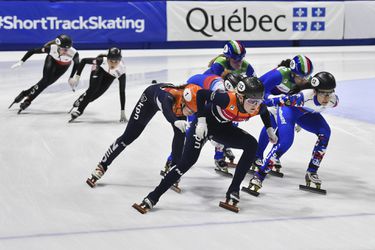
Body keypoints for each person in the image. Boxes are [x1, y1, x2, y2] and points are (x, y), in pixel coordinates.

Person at [133, 76, 278, 213]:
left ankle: (234, 190)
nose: (255, 106)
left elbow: (264, 110)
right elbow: (202, 94)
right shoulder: (227, 99)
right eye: (252, 101)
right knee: (187, 162)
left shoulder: (257, 106)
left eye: (258, 101)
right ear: (240, 97)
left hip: (222, 129)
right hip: (203, 126)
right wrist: (201, 121)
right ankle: (152, 197)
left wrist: (269, 129)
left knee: (251, 144)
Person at [85, 82, 202, 188]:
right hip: (149, 99)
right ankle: (102, 165)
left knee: (180, 134)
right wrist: (175, 121)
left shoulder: (186, 102)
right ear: (183, 102)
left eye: (193, 111)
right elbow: (166, 110)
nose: (191, 113)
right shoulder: (167, 97)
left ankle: (173, 167)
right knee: (129, 137)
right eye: (190, 110)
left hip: (174, 105)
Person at [245, 71, 339, 195]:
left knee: (325, 133)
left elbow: (315, 108)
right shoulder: (302, 97)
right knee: (285, 143)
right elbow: (278, 101)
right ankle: (259, 176)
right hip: (288, 111)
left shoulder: (334, 101)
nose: (327, 98)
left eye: (330, 93)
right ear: (315, 91)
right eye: (323, 93)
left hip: (305, 114)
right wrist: (249, 109)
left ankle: (312, 172)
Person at [162, 73, 244, 177]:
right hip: (196, 92)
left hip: (206, 92)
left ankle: (219, 157)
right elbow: (206, 111)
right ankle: (172, 161)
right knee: (192, 132)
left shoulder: (231, 94)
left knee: (226, 126)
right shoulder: (219, 90)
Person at [252, 55, 314, 174]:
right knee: (272, 123)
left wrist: (301, 115)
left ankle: (273, 155)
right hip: (267, 96)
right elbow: (259, 90)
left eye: (306, 77)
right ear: (292, 73)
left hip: (285, 101)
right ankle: (257, 156)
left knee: (286, 124)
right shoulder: (279, 74)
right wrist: (272, 98)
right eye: (301, 78)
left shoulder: (306, 80)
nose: (304, 81)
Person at [9, 34, 79, 113]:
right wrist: (21, 61)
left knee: (46, 83)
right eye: (64, 49)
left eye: (68, 49)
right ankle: (28, 100)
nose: (66, 51)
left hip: (63, 66)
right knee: (45, 81)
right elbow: (33, 51)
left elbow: (76, 64)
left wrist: (71, 77)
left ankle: (25, 93)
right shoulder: (51, 49)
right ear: (58, 46)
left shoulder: (74, 53)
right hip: (51, 61)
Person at [68, 47, 127, 122]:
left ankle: (81, 98)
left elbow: (122, 92)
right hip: (99, 69)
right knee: (93, 89)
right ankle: (79, 111)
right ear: (107, 59)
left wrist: (122, 112)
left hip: (110, 76)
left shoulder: (121, 70)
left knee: (93, 97)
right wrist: (77, 77)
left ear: (120, 61)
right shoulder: (101, 60)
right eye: (111, 61)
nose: (113, 63)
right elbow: (83, 61)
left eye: (116, 62)